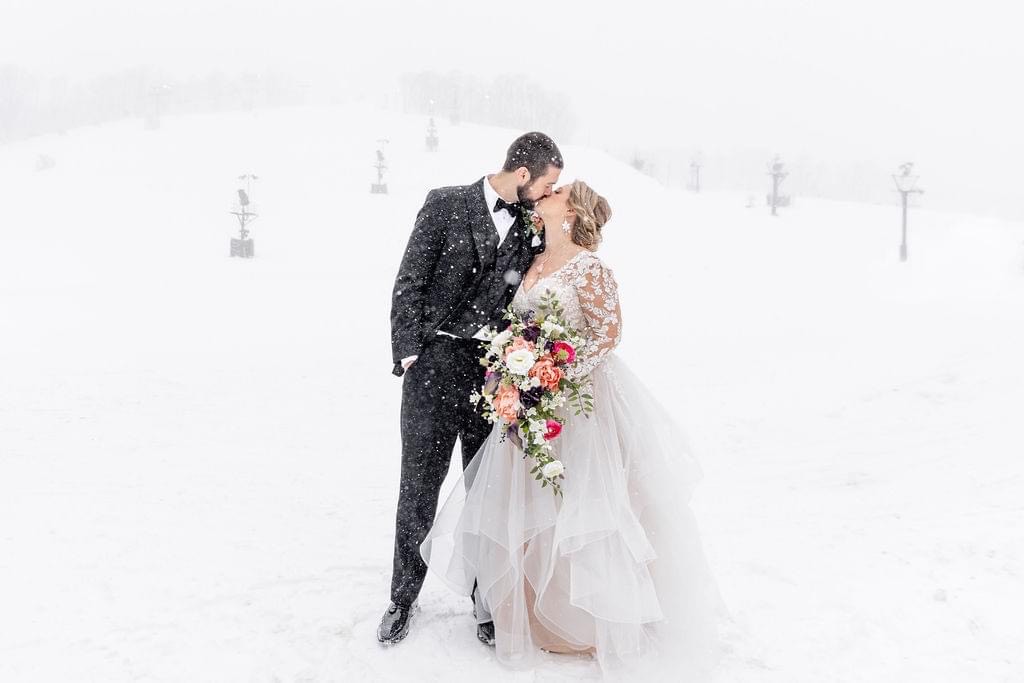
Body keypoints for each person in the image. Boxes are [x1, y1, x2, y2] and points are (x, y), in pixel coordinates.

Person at [420, 180, 725, 677]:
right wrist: (515, 375)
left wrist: (555, 377)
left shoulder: (590, 266)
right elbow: (518, 327)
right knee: (531, 501)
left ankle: (588, 616)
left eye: (557, 191)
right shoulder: (534, 262)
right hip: (530, 400)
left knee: (582, 501)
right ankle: (537, 612)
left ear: (572, 209)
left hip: (582, 405)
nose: (546, 193)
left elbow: (608, 335)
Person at [380, 132, 564, 646]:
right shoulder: (445, 203)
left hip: (493, 375)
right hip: (433, 367)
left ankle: (486, 603)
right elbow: (409, 280)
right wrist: (410, 353)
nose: (549, 193)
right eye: (547, 183)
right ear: (523, 175)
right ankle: (401, 598)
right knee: (418, 489)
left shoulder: (531, 226)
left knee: (487, 493)